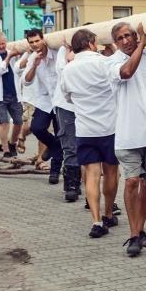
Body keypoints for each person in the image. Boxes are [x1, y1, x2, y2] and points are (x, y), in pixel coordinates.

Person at [108, 22, 146, 257]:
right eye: (121, 38)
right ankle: (133, 235)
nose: (126, 41)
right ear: (115, 42)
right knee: (132, 181)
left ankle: (140, 229)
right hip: (128, 134)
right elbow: (126, 72)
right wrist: (142, 44)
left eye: (130, 35)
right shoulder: (112, 62)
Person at [60, 29, 120, 237]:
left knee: (92, 176)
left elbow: (67, 97)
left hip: (85, 129)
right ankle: (109, 213)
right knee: (111, 172)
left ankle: (96, 221)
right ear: (91, 43)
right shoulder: (105, 63)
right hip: (109, 127)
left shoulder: (68, 69)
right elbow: (119, 79)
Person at [23, 29, 63, 184]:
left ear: (43, 40)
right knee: (37, 128)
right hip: (45, 101)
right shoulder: (32, 58)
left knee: (60, 135)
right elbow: (26, 81)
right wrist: (34, 66)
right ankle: (53, 147)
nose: (34, 44)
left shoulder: (57, 53)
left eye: (37, 41)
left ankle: (55, 172)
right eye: (31, 42)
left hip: (61, 101)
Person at [53, 41, 81, 202]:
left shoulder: (92, 51)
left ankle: (79, 181)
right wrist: (68, 52)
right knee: (70, 146)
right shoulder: (63, 50)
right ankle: (71, 185)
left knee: (84, 146)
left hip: (85, 106)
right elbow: (62, 71)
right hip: (66, 105)